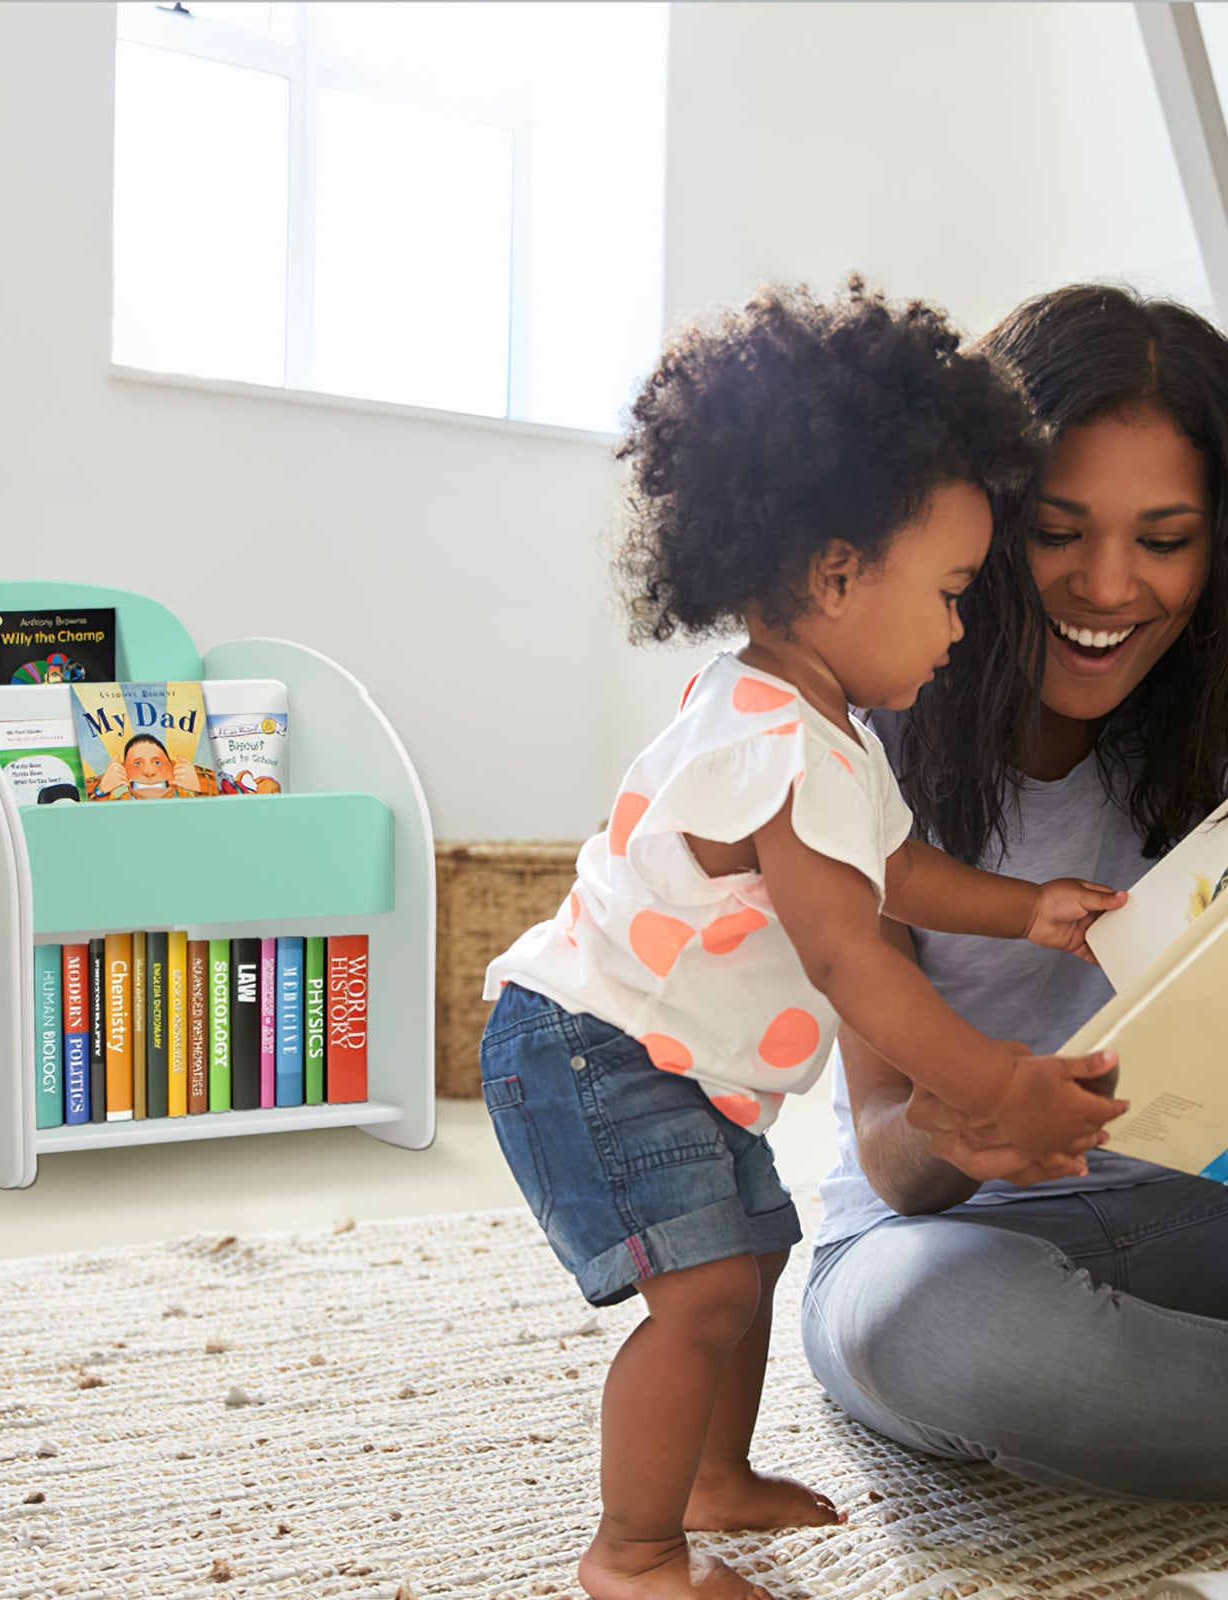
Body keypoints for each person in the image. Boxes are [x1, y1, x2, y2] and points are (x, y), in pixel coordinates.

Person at [478, 279, 1130, 1600]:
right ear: (836, 575)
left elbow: (894, 875)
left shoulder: (813, 725)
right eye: (951, 593)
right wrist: (997, 1079)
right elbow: (853, 959)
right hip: (594, 1051)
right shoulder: (778, 744)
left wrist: (1027, 910)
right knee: (706, 1291)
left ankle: (714, 1480)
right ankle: (635, 1551)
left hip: (664, 1054)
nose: (963, 629)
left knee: (755, 1253)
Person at [803, 283, 1228, 1502]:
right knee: (930, 1328)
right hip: (950, 1239)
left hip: (1197, 1215)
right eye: (1056, 531)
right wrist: (957, 1131)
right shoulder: (862, 748)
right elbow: (887, 1150)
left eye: (1162, 539)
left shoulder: (1210, 729)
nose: (1106, 586)